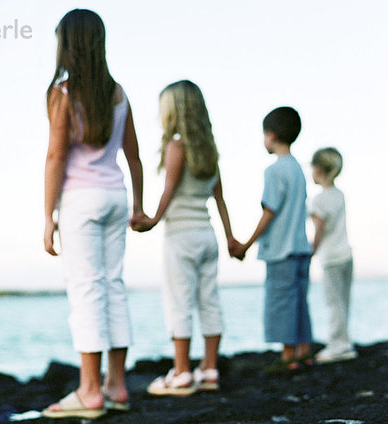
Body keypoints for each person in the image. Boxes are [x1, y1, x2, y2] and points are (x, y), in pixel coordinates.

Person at [42, 9, 144, 419]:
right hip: (115, 197)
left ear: (68, 45)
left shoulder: (63, 93)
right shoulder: (118, 92)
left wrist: (47, 216)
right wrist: (138, 204)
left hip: (81, 201)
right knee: (112, 286)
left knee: (86, 290)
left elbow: (55, 156)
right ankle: (117, 385)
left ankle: (89, 390)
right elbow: (133, 156)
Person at [131, 80, 237, 395]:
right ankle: (209, 369)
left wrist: (152, 219)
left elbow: (169, 189)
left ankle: (180, 373)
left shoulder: (176, 146)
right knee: (209, 301)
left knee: (179, 302)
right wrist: (231, 237)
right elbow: (220, 198)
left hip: (180, 237)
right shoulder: (209, 150)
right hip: (208, 236)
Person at [231, 107, 314, 369]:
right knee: (300, 299)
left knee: (282, 301)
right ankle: (305, 351)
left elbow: (270, 211)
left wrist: (246, 243)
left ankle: (288, 356)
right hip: (301, 246)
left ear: (271, 135)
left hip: (281, 249)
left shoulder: (274, 171)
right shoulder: (299, 169)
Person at [309, 147, 357, 363]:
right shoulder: (340, 194)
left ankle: (337, 346)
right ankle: (344, 342)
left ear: (318, 169)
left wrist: (311, 251)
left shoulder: (319, 200)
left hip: (330, 258)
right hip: (346, 255)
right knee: (344, 301)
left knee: (333, 302)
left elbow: (319, 229)